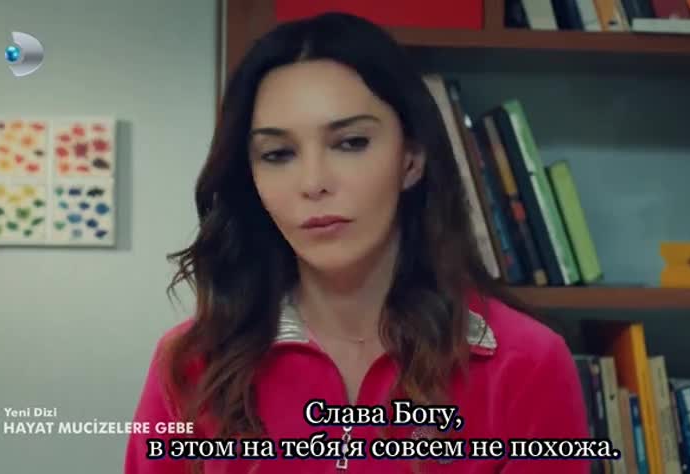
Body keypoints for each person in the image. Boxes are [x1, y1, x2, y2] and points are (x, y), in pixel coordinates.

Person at [124, 12, 590, 474]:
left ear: (411, 158)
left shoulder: (526, 362)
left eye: (350, 143)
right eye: (278, 154)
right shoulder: (190, 364)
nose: (313, 183)